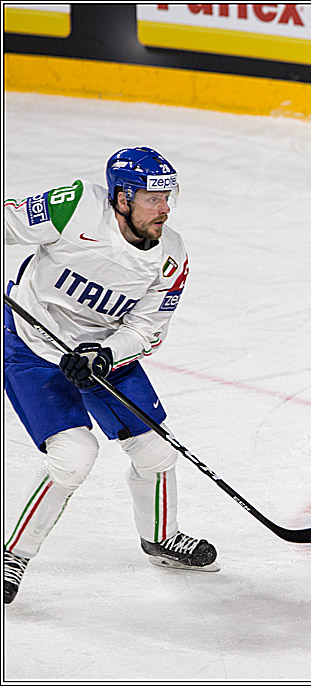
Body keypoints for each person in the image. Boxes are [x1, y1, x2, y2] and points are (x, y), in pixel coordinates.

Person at [3, 147, 218, 605]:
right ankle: (12, 555)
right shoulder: (74, 205)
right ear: (121, 198)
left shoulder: (171, 256)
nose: (164, 209)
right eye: (152, 198)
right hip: (31, 345)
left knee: (157, 450)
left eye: (168, 197)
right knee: (73, 458)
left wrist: (104, 354)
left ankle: (161, 539)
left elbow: (147, 329)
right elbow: (8, 222)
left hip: (101, 355)